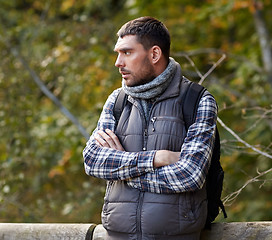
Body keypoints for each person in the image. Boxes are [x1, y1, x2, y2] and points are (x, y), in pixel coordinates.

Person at [83, 16, 218, 240]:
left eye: (127, 52)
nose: (118, 62)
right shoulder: (117, 101)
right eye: (118, 53)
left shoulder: (197, 100)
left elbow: (190, 175)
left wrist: (123, 171)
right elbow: (93, 160)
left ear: (154, 54)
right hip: (117, 235)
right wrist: (157, 158)